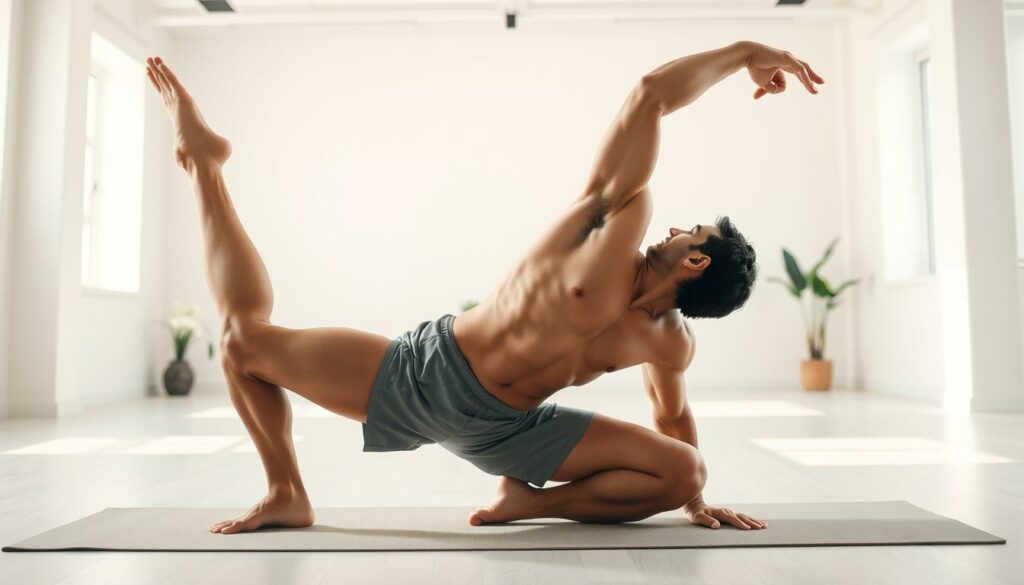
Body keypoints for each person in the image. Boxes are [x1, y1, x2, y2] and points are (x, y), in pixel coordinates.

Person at [143, 39, 823, 535]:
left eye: (692, 232)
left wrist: (696, 502)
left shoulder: (668, 342)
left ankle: (527, 502)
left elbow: (673, 422)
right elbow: (649, 94)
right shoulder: (614, 223)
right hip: (429, 376)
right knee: (242, 341)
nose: (676, 227)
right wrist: (742, 54)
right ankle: (206, 165)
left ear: (696, 263)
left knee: (685, 468)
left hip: (512, 434)